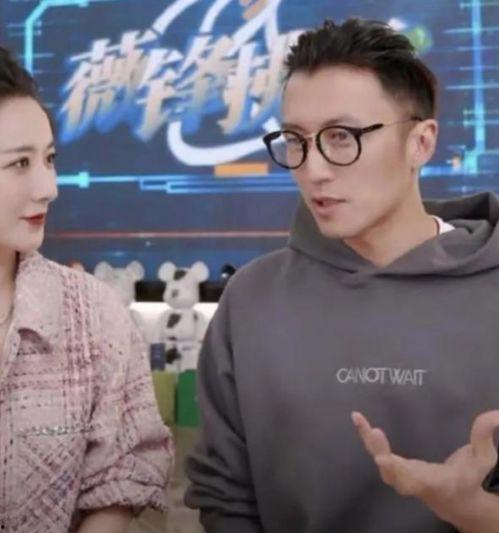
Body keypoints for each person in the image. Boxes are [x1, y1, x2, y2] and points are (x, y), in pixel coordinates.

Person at [185, 18, 499, 533]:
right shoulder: (252, 301)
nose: (313, 169)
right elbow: (224, 494)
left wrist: (479, 515)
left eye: (341, 136)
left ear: (421, 142)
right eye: (295, 140)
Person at [0, 46, 173, 532]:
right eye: (20, 164)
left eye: (49, 159)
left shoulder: (93, 314)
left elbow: (126, 472)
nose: (49, 187)